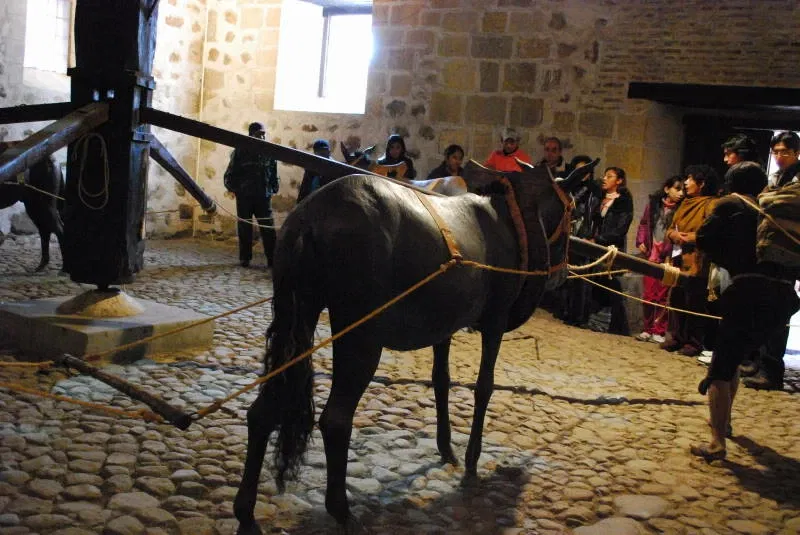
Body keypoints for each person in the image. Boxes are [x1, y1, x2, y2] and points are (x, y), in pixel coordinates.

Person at [692, 162, 799, 461]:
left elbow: (704, 239)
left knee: (720, 370)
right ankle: (723, 424)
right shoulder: (771, 210)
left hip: (747, 291)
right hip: (780, 295)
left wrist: (726, 262)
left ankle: (716, 443)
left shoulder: (729, 204)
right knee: (734, 358)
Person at [741, 131, 800, 390]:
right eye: (775, 152)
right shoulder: (776, 177)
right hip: (768, 250)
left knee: (778, 310)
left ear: (796, 152)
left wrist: (766, 200)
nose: (779, 157)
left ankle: (772, 369)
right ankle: (759, 359)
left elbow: (789, 199)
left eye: (784, 152)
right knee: (762, 307)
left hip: (789, 253)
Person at [660, 165, 719, 357]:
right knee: (676, 298)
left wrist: (691, 238)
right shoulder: (684, 203)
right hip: (678, 259)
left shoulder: (711, 204)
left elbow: (711, 232)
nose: (686, 182)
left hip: (697, 261)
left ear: (701, 184)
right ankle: (675, 337)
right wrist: (674, 234)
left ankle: (693, 342)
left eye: (690, 179)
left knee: (695, 301)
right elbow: (669, 228)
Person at [634, 176, 684, 343]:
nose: (680, 193)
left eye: (683, 189)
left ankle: (659, 330)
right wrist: (641, 241)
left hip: (667, 258)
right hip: (651, 255)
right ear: (666, 189)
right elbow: (643, 224)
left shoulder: (681, 209)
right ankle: (647, 329)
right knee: (648, 295)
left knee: (662, 296)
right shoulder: (654, 206)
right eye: (677, 189)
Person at [224, 122, 279, 268]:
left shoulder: (269, 152)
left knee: (268, 228)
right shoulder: (241, 151)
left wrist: (273, 188)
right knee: (244, 228)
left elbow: (273, 171)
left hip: (263, 196)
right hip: (245, 196)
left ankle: (272, 258)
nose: (263, 136)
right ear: (251, 134)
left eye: (264, 134)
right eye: (259, 134)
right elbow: (231, 172)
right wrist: (234, 189)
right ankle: (245, 258)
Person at [588, 167, 634, 334]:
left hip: (611, 246)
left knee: (609, 283)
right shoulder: (599, 197)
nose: (605, 179)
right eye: (604, 175)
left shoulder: (623, 201)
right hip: (596, 246)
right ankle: (592, 319)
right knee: (595, 282)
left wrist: (601, 239)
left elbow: (621, 227)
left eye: (609, 176)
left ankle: (607, 323)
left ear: (619, 180)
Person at [559, 155, 601, 326]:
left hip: (585, 233)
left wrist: (592, 235)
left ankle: (579, 316)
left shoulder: (594, 191)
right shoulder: (572, 189)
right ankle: (568, 311)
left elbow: (594, 214)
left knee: (582, 279)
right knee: (569, 275)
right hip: (571, 232)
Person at [297, 139, 334, 204]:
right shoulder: (311, 169)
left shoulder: (334, 168)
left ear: (329, 152)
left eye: (325, 151)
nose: (323, 155)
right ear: (315, 153)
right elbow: (304, 188)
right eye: (320, 152)